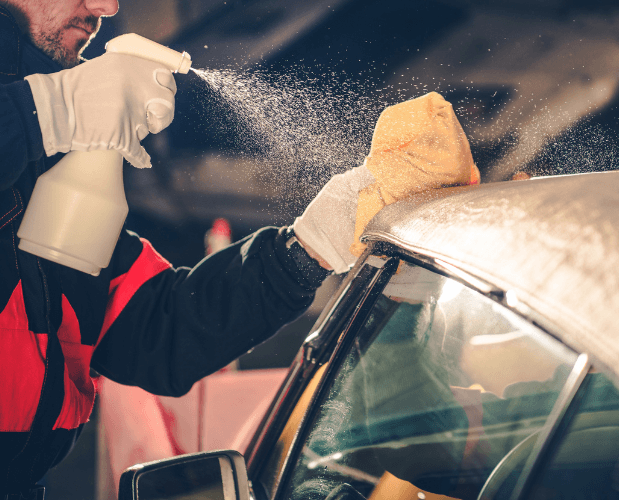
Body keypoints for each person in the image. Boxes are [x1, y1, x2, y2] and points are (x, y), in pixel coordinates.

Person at [0, 0, 374, 497]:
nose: (106, 6)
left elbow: (155, 327)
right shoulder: (38, 123)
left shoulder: (41, 172)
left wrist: (308, 247)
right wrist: (47, 111)